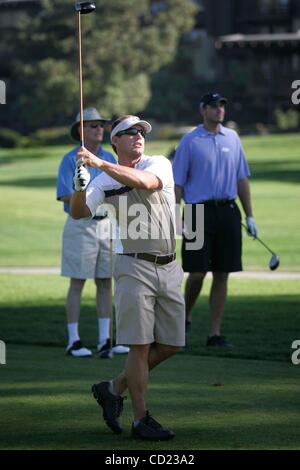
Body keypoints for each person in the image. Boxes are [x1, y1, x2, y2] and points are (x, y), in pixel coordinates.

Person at [70, 115, 185, 441]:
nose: (138, 135)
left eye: (141, 131)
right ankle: (140, 420)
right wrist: (79, 186)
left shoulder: (157, 163)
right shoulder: (102, 181)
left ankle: (112, 388)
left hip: (170, 266)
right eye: (128, 132)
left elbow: (146, 183)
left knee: (173, 344)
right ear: (115, 142)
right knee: (140, 346)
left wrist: (98, 164)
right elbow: (79, 212)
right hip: (133, 267)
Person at [173, 92, 258, 348]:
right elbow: (177, 183)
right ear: (203, 109)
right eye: (214, 106)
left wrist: (250, 215)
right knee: (197, 273)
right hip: (197, 212)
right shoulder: (190, 140)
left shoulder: (233, 138)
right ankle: (184, 318)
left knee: (222, 273)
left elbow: (242, 179)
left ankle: (214, 333)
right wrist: (175, 216)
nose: (219, 110)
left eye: (222, 105)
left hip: (228, 211)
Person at [56, 107, 129, 358]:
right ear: (80, 130)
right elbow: (64, 193)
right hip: (80, 224)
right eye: (92, 125)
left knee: (105, 282)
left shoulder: (109, 157)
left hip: (107, 224)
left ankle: (104, 339)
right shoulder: (71, 158)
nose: (99, 129)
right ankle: (73, 341)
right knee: (77, 282)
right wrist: (85, 191)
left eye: (101, 125)